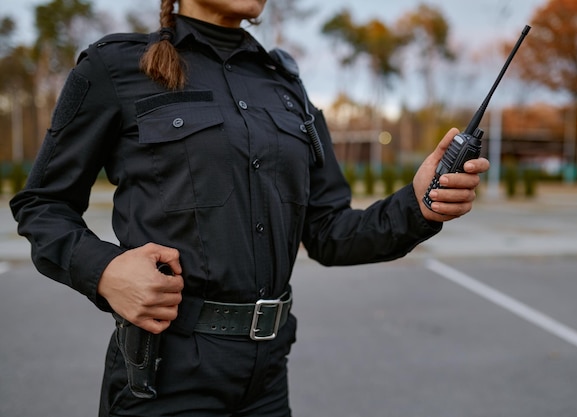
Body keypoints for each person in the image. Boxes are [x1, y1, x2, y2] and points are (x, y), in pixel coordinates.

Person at [10, 0, 490, 416]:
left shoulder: (287, 86)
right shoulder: (114, 67)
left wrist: (418, 204)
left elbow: (328, 231)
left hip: (266, 380)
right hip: (163, 376)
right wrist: (106, 270)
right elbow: (42, 205)